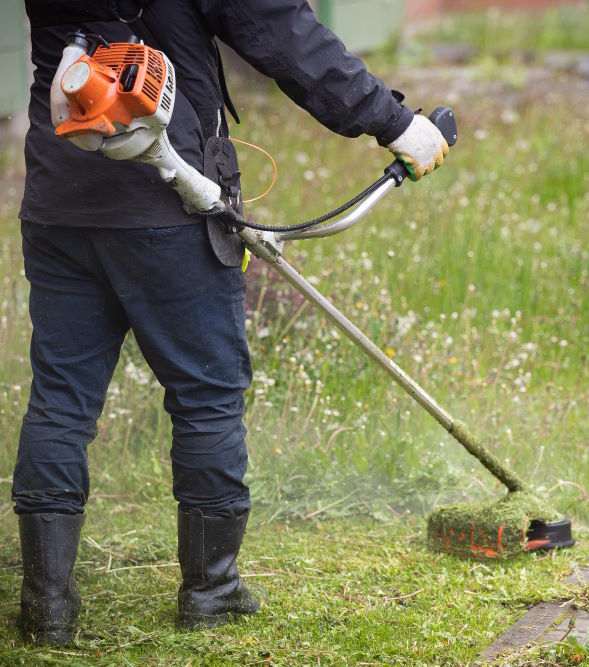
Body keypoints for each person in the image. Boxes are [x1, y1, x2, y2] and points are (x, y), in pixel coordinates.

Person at [14, 0, 448, 646]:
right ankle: (211, 591)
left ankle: (46, 605)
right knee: (206, 396)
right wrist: (395, 123)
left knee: (59, 401)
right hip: (169, 196)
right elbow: (277, 28)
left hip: (60, 197)